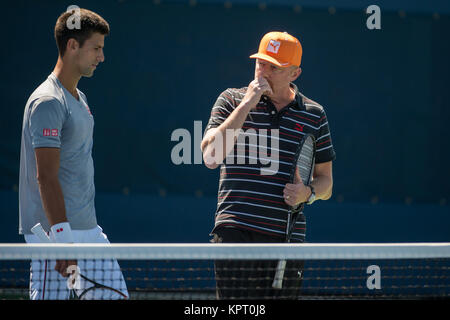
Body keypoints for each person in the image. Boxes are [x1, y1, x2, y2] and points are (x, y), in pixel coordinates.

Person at [201, 31, 336, 299]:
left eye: (273, 67)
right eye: (260, 62)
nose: (263, 71)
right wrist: (247, 104)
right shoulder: (230, 99)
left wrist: (307, 193)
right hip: (235, 233)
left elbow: (327, 184)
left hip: (287, 239)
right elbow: (210, 158)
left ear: (294, 74)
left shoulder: (315, 115)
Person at [19, 8, 128, 300]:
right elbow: (46, 176)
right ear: (72, 46)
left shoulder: (81, 100)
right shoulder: (47, 102)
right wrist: (63, 241)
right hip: (56, 237)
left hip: (89, 232)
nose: (101, 57)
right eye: (96, 48)